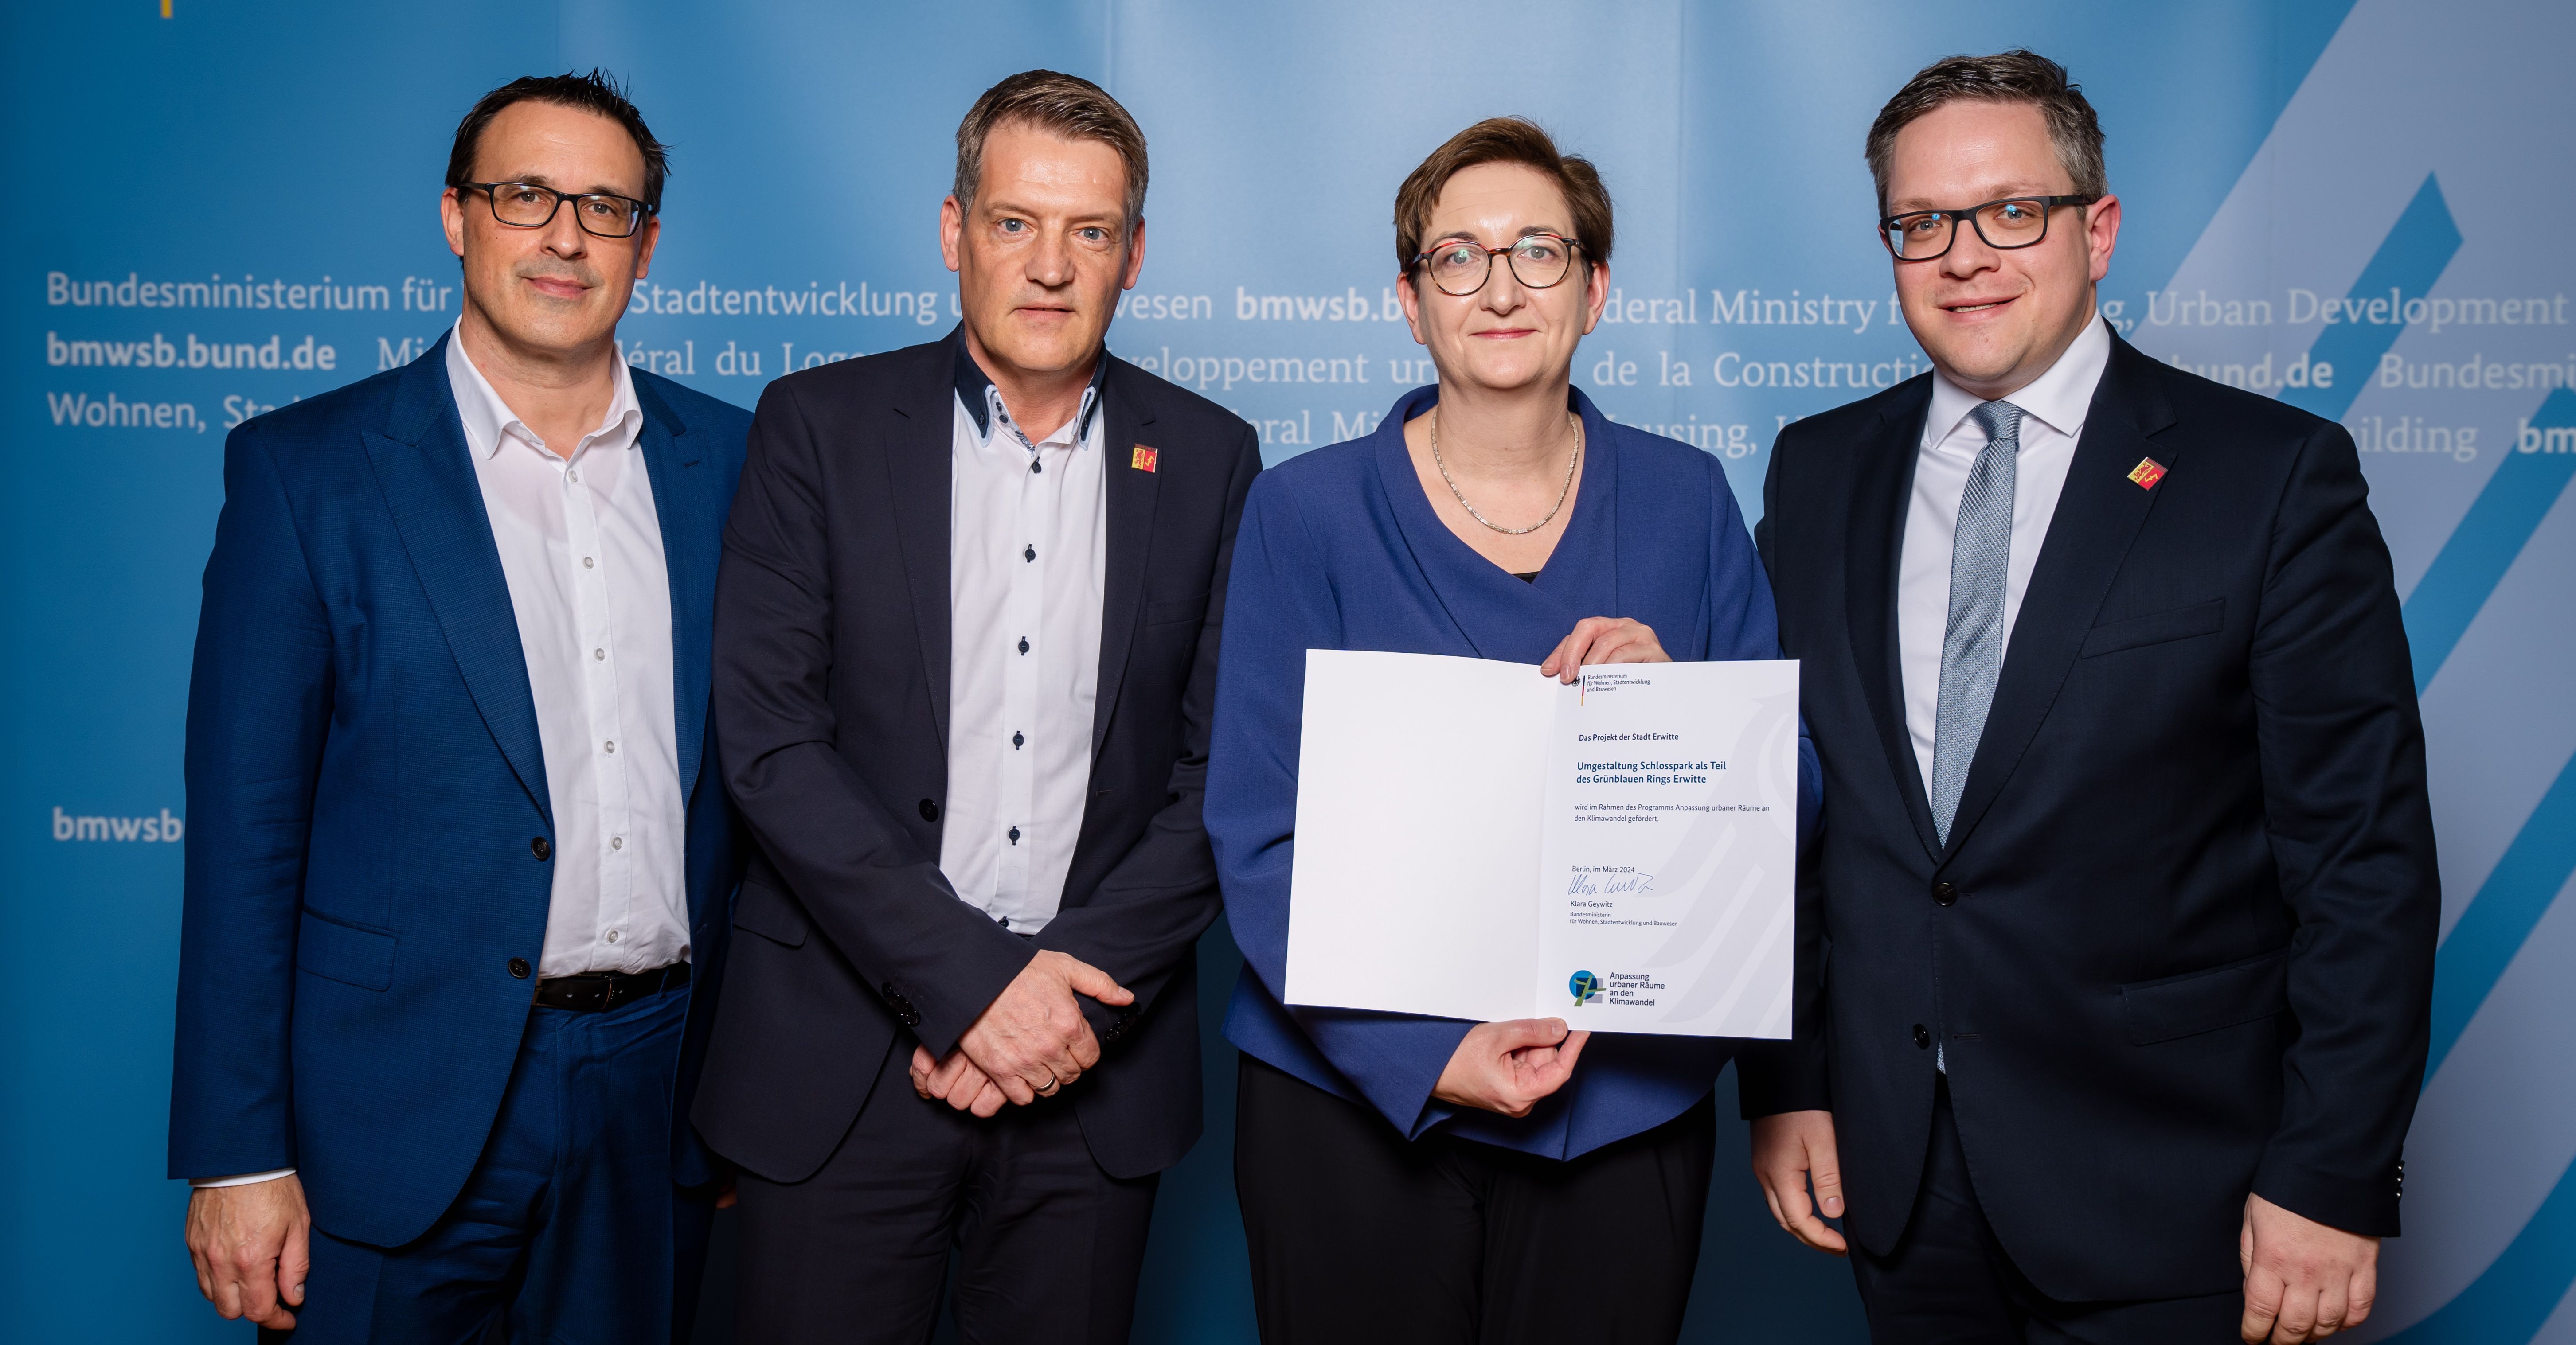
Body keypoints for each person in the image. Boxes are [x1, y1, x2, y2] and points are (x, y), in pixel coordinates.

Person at [1745, 50, 2438, 1345]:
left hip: (2178, 1188)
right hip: (1898, 1176)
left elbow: (2363, 863)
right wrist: (1783, 1082)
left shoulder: (2270, 478)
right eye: (1920, 224)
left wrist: (2333, 1173)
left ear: (2097, 229)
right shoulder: (1819, 470)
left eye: (2011, 211)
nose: (1964, 255)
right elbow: (1794, 811)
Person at [1205, 117, 1821, 1345]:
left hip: (1625, 1098)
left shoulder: (1687, 498)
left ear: (1594, 292)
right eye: (1458, 257)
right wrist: (1426, 1050)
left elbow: (1785, 802)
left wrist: (1683, 713)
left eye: (1538, 252)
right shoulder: (1303, 511)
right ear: (1408, 298)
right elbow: (1255, 833)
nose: (1499, 287)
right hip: (1349, 1099)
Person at [169, 71, 751, 1341]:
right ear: (457, 216)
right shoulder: (304, 472)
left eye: (605, 207)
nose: (563, 236)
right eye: (526, 194)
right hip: (390, 1112)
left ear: (646, 247)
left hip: (655, 1093)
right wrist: (236, 1151)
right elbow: (243, 836)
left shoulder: (738, 466)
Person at [691, 69, 1261, 1344]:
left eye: (1090, 232)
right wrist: (968, 988)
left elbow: (1220, 773)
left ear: (1134, 255)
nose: (1051, 265)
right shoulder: (816, 428)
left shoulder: (1214, 455)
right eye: (1015, 223)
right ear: (954, 231)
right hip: (845, 1056)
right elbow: (772, 744)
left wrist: (1050, 995)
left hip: (1088, 1060)